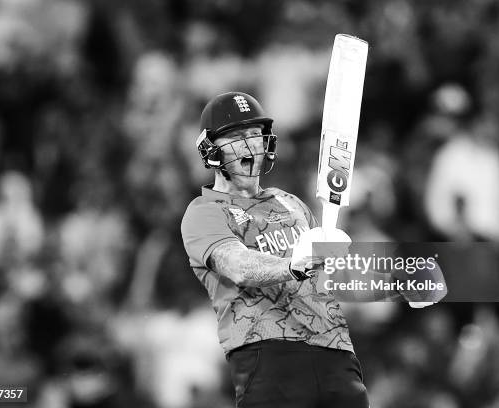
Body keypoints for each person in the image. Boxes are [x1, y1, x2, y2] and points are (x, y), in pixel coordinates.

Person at [181, 92, 438, 408]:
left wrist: (396, 281)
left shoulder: (293, 204)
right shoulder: (205, 211)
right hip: (269, 358)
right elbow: (238, 266)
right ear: (212, 149)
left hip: (336, 353)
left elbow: (325, 273)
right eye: (237, 137)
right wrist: (293, 264)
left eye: (255, 136)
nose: (250, 146)